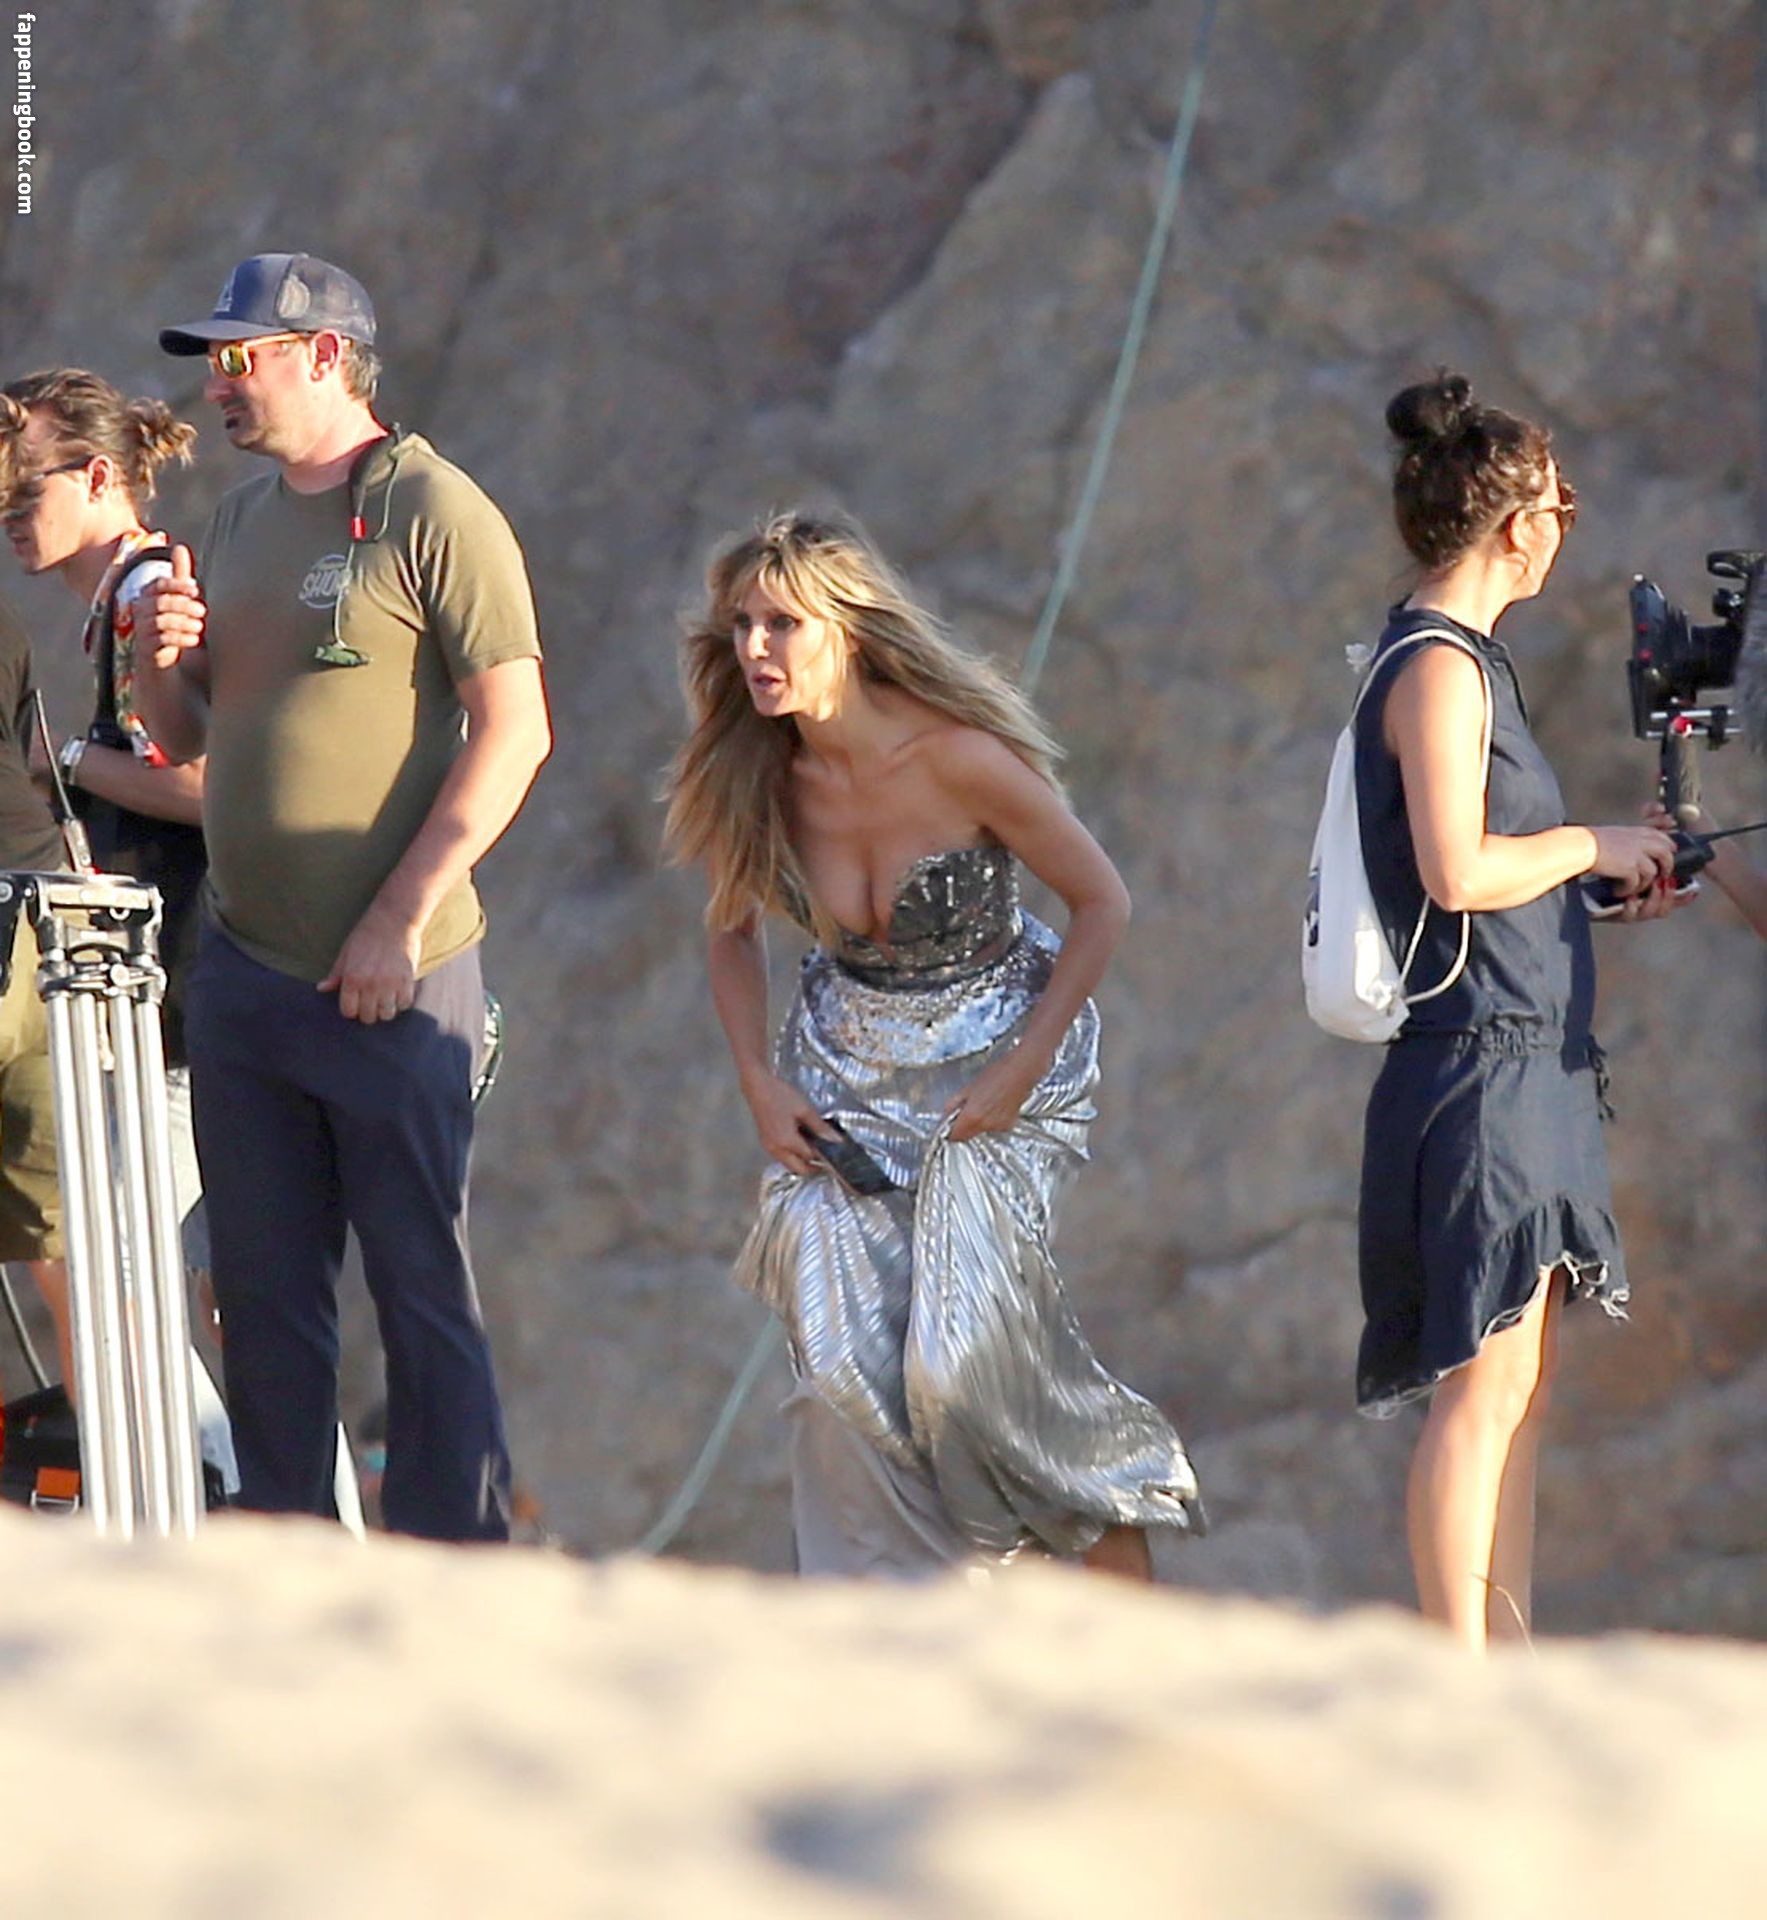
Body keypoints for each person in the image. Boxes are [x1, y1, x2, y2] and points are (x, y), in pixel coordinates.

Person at [665, 510, 1203, 1579]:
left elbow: (1101, 902)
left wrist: (1021, 1068)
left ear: (849, 629)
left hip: (994, 1073)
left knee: (964, 1374)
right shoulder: (754, 772)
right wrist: (757, 1082)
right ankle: (903, 1621)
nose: (756, 648)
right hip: (842, 1074)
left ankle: (1124, 1573)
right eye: (742, 626)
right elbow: (730, 932)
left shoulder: (960, 760)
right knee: (839, 1378)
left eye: (783, 624)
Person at [133, 253, 552, 1541]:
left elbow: (518, 731)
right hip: (246, 971)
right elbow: (192, 736)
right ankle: (285, 1554)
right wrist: (157, 665)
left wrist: (398, 918)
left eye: (240, 358)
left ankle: (455, 1557)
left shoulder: (436, 509)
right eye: (214, 362)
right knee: (261, 1294)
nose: (218, 386)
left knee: (420, 1285)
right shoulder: (237, 523)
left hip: (394, 977)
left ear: (324, 356)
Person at [1355, 372, 1681, 1650]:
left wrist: (1598, 884)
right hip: (1476, 1070)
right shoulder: (1437, 667)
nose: (1565, 527)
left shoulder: (1471, 663)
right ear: (1515, 524)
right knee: (1481, 1390)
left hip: (1529, 1060)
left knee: (1521, 1392)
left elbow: (1487, 884)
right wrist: (1592, 839)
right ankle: (1455, 1675)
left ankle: (1508, 1655)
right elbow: (1454, 870)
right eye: (1562, 504)